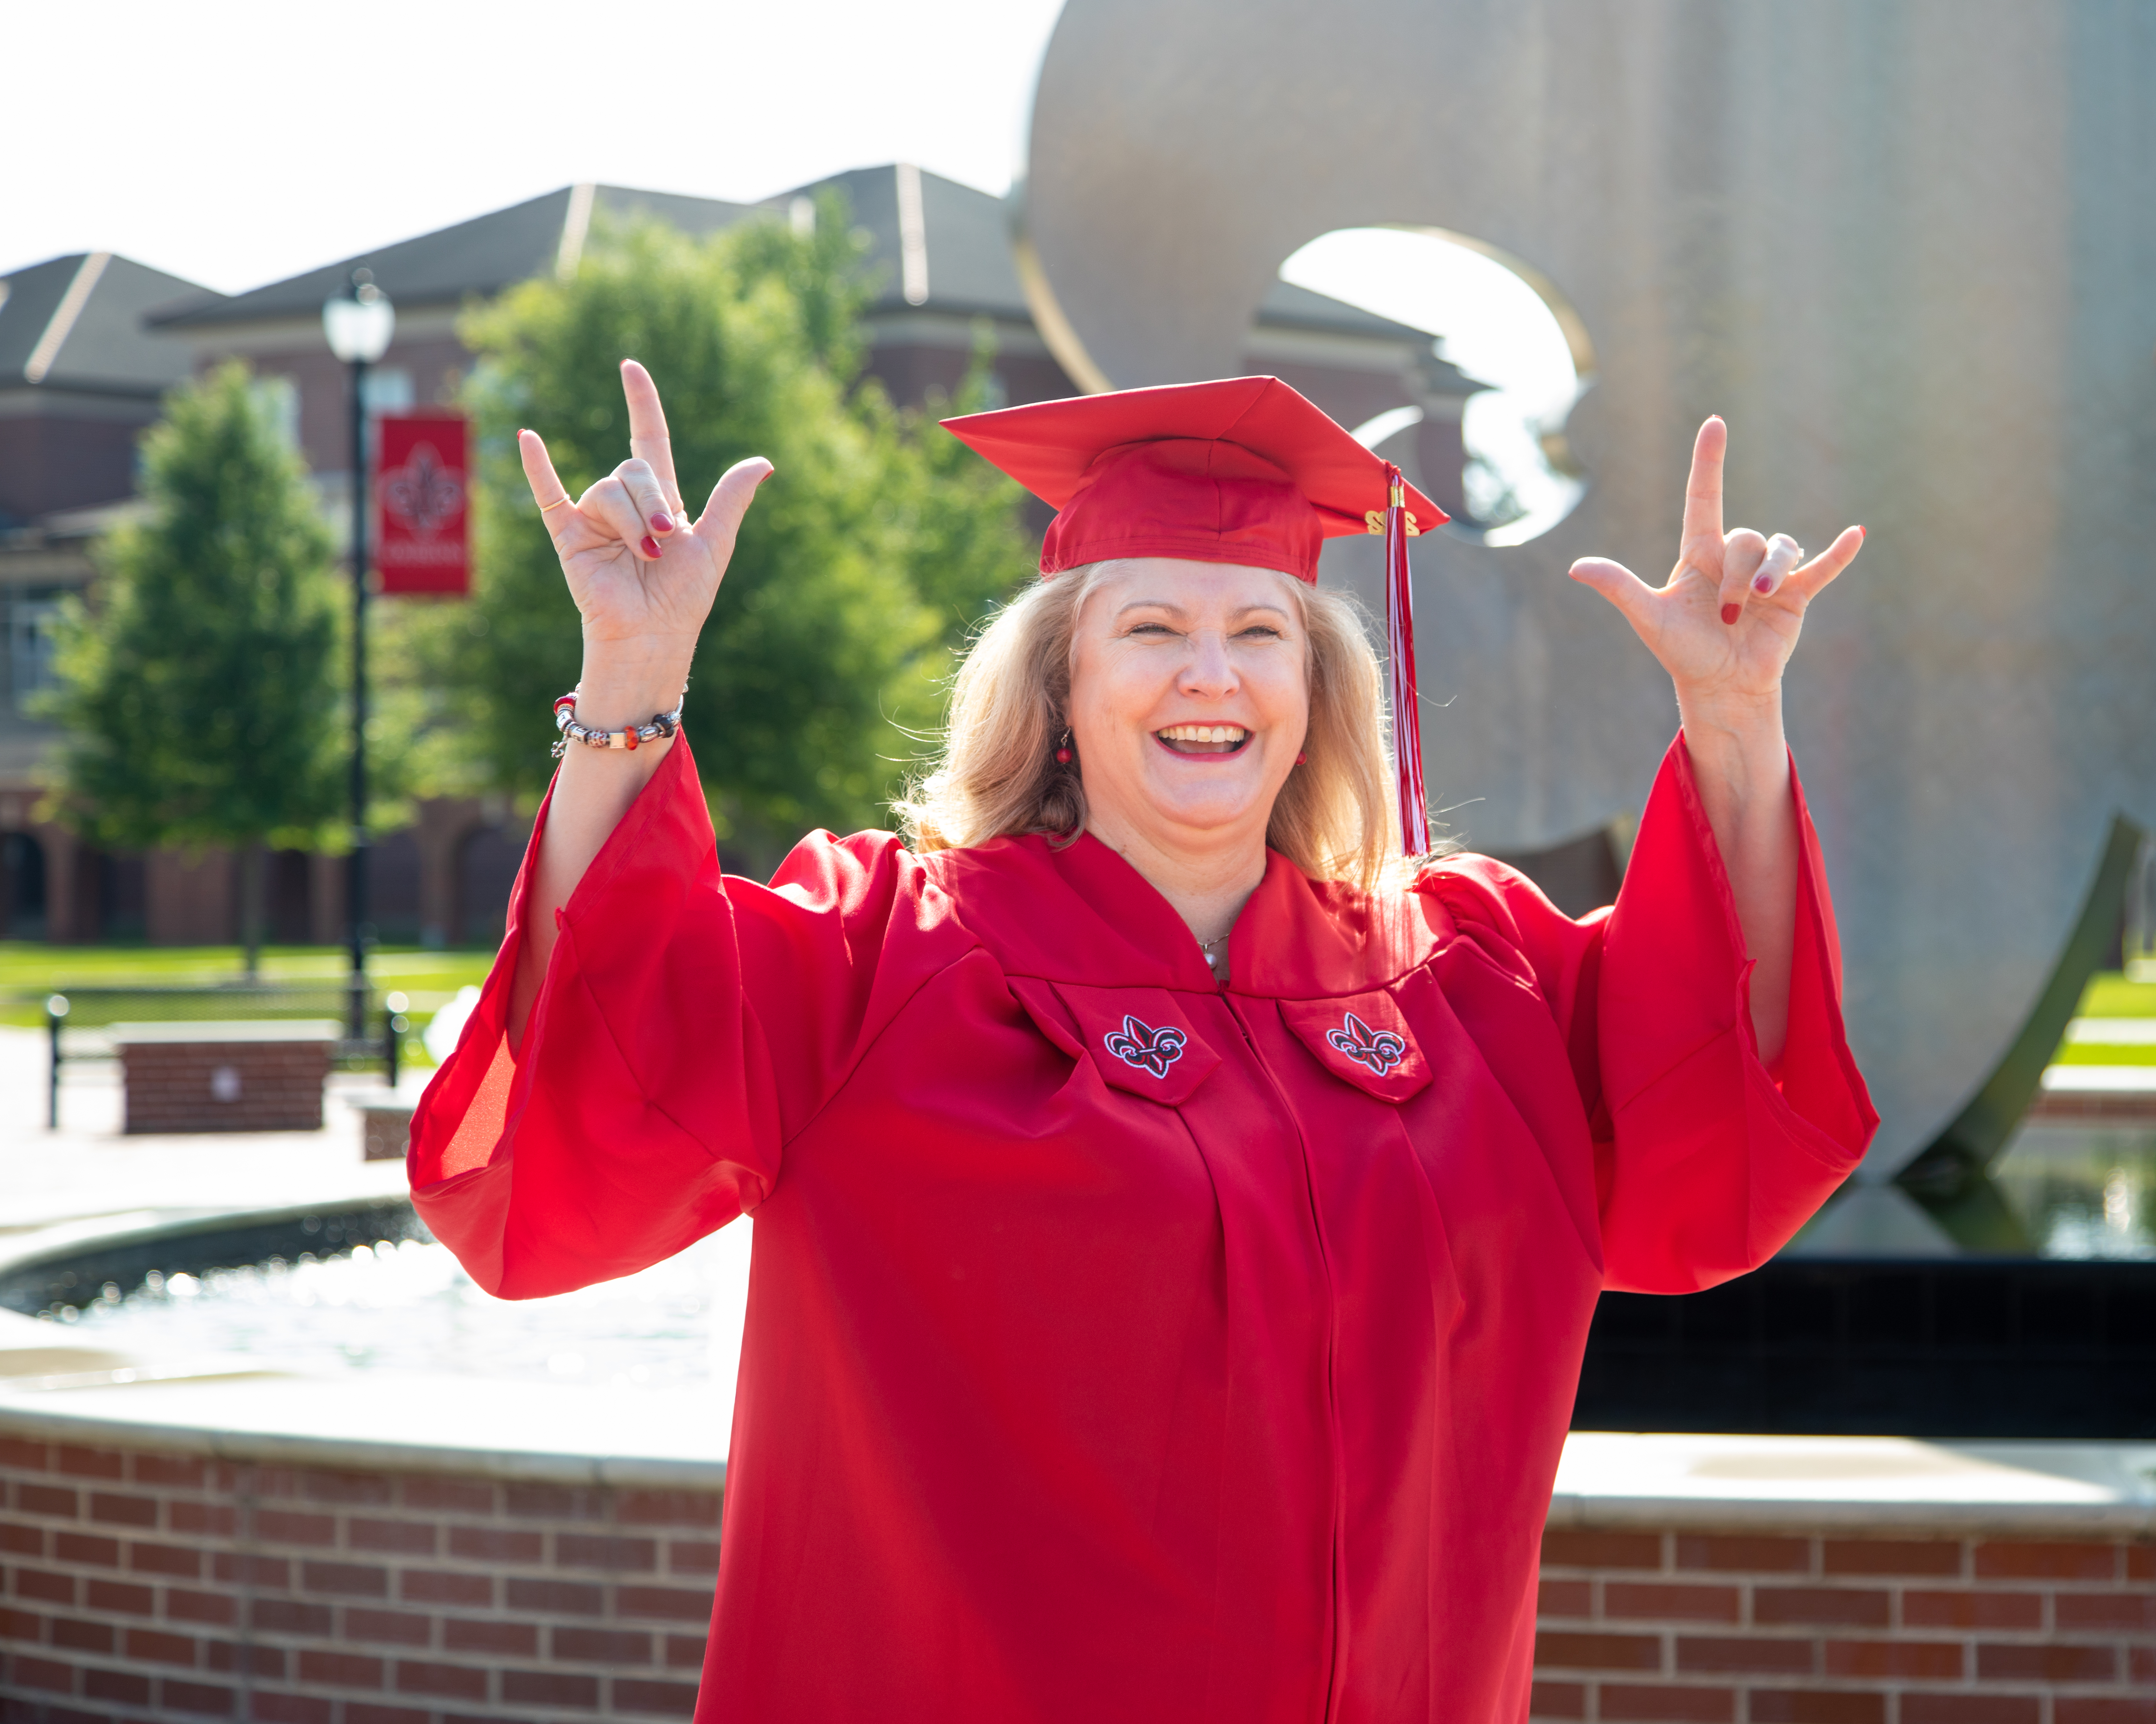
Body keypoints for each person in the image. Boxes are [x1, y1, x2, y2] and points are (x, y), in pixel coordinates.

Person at [409, 363, 1876, 1721]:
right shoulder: (889, 955)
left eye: (1259, 633)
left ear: (1316, 696)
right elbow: (592, 1104)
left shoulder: (1464, 978)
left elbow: (1720, 1122)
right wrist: (630, 689)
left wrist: (1736, 721)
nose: (1211, 675)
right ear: (1059, 684)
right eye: (1153, 629)